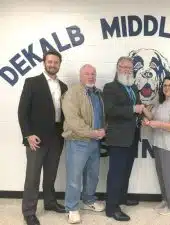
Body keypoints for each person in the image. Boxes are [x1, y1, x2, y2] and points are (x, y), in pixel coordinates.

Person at [18, 51, 68, 225]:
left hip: (57, 136)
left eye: (56, 62)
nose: (53, 64)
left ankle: (50, 202)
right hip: (36, 138)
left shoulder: (63, 86)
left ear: (59, 64)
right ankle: (29, 211)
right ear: (44, 62)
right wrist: (27, 135)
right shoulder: (32, 82)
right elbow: (22, 111)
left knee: (51, 173)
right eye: (50, 61)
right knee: (32, 176)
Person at [62, 64, 106, 224]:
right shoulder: (72, 93)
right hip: (77, 141)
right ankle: (71, 208)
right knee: (74, 177)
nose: (91, 76)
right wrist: (93, 132)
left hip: (95, 142)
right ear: (80, 76)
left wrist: (102, 131)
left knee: (92, 174)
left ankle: (88, 201)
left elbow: (102, 115)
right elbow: (73, 121)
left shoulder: (98, 93)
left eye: (93, 73)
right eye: (87, 73)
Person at [103, 56, 144, 221]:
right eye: (123, 67)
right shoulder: (110, 87)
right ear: (117, 68)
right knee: (116, 173)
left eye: (129, 68)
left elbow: (138, 108)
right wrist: (133, 108)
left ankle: (121, 198)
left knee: (126, 171)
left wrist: (143, 118)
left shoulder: (133, 87)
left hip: (132, 136)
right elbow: (110, 110)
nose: (127, 70)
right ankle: (111, 208)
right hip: (118, 138)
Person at [142, 76, 170, 215]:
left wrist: (158, 124)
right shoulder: (160, 104)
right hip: (158, 144)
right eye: (165, 85)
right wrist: (144, 114)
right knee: (162, 175)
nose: (167, 88)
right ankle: (165, 200)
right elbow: (151, 117)